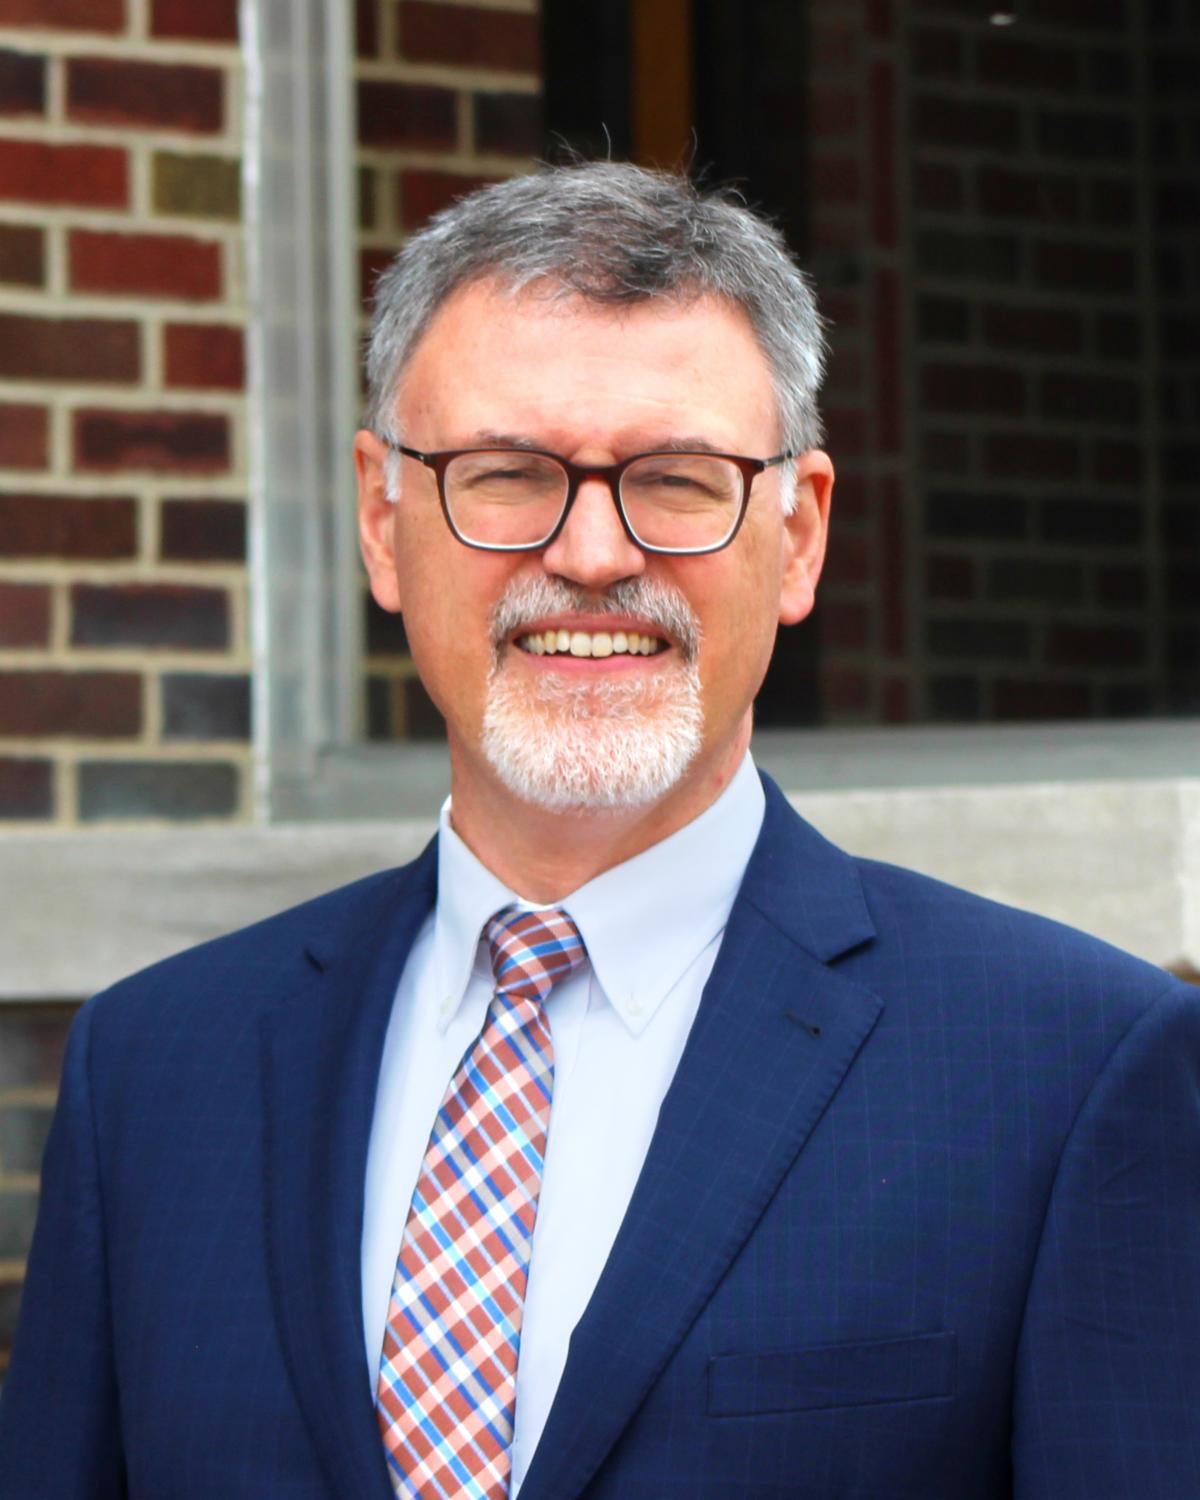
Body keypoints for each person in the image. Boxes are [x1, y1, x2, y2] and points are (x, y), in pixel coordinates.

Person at [1, 162, 1197, 1500]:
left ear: (799, 535)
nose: (589, 554)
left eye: (676, 480)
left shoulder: (1070, 1072)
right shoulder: (152, 1075)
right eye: (506, 474)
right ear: (382, 521)